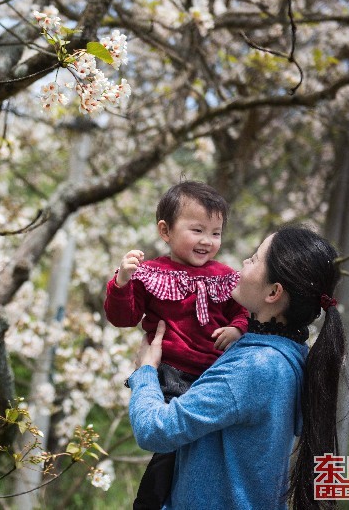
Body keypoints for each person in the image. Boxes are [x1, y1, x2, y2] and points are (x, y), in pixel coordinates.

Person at [128, 225, 346, 509]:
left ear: (273, 292)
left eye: (255, 259)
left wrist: (145, 371)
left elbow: (156, 430)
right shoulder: (291, 356)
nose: (244, 262)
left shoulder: (255, 367)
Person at [104, 181, 249, 509]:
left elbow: (242, 312)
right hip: (169, 372)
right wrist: (122, 282)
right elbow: (124, 317)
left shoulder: (224, 276)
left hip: (213, 374)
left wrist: (237, 329)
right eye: (197, 230)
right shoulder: (152, 273)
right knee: (168, 447)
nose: (207, 241)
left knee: (204, 446)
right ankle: (150, 503)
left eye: (215, 233)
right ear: (165, 231)